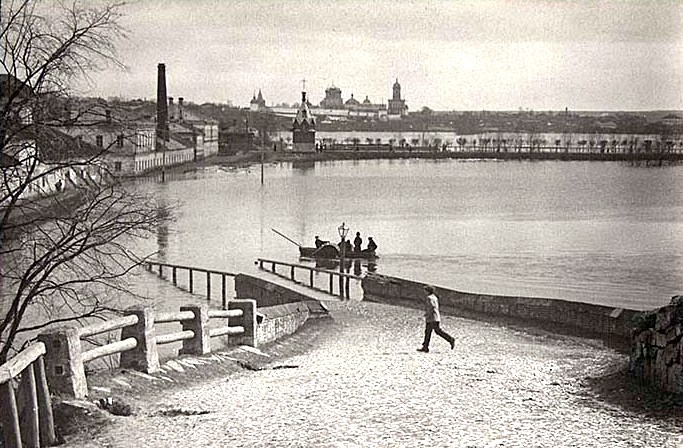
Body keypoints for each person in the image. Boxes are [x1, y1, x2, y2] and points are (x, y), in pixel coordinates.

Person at [418, 285, 455, 353]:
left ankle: (450, 339)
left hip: (432, 318)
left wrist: (427, 314)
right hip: (435, 317)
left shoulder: (429, 298)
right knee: (429, 332)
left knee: (434, 331)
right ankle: (425, 347)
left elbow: (432, 306)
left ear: (427, 291)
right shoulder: (434, 297)